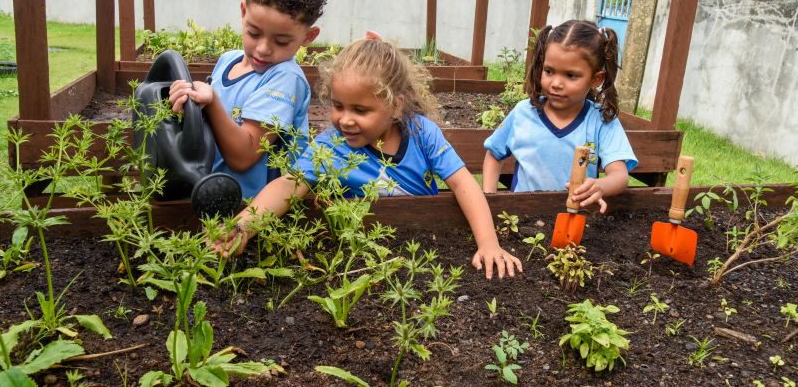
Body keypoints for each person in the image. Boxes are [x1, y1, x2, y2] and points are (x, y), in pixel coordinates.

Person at [213, 33, 522, 280]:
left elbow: (463, 183)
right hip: (360, 257)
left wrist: (488, 244)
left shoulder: (421, 132)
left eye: (360, 110)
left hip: (424, 243)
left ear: (396, 106)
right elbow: (287, 185)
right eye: (338, 106)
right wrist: (244, 225)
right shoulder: (330, 145)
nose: (345, 120)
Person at [169, 0, 327, 200]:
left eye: (282, 41)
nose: (263, 49)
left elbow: (243, 157)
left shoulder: (284, 77)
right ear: (244, 12)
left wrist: (211, 103)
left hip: (250, 209)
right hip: (212, 196)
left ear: (308, 36)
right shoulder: (227, 60)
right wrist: (187, 104)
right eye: (254, 33)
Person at [482, 20, 637, 213]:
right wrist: (490, 199)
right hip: (521, 218)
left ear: (596, 79)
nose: (556, 83)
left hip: (576, 220)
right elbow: (494, 155)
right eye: (549, 71)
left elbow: (620, 176)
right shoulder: (523, 113)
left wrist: (600, 186)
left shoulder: (600, 120)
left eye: (571, 75)